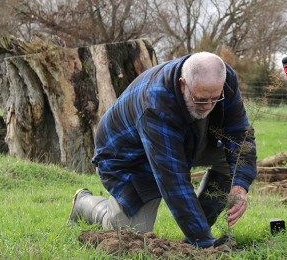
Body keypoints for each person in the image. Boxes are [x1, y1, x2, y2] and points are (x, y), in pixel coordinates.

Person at [68, 52, 258, 247]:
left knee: (230, 157)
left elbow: (240, 133)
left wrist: (240, 183)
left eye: (214, 99)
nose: (208, 106)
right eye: (201, 99)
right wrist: (204, 242)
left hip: (184, 138)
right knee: (128, 234)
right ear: (183, 84)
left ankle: (197, 235)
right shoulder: (155, 103)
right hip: (128, 155)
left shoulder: (224, 78)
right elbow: (173, 181)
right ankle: (85, 204)